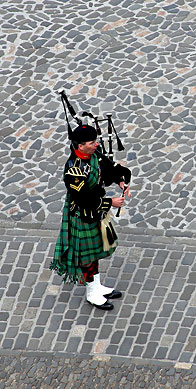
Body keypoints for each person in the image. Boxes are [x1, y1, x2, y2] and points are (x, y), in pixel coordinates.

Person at [50, 124, 132, 310]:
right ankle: (92, 293)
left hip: (94, 213)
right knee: (87, 256)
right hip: (82, 214)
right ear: (80, 146)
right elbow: (85, 199)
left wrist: (121, 180)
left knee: (94, 252)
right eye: (92, 142)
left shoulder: (93, 155)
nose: (96, 145)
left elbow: (108, 169)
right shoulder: (74, 171)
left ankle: (97, 286)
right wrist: (110, 202)